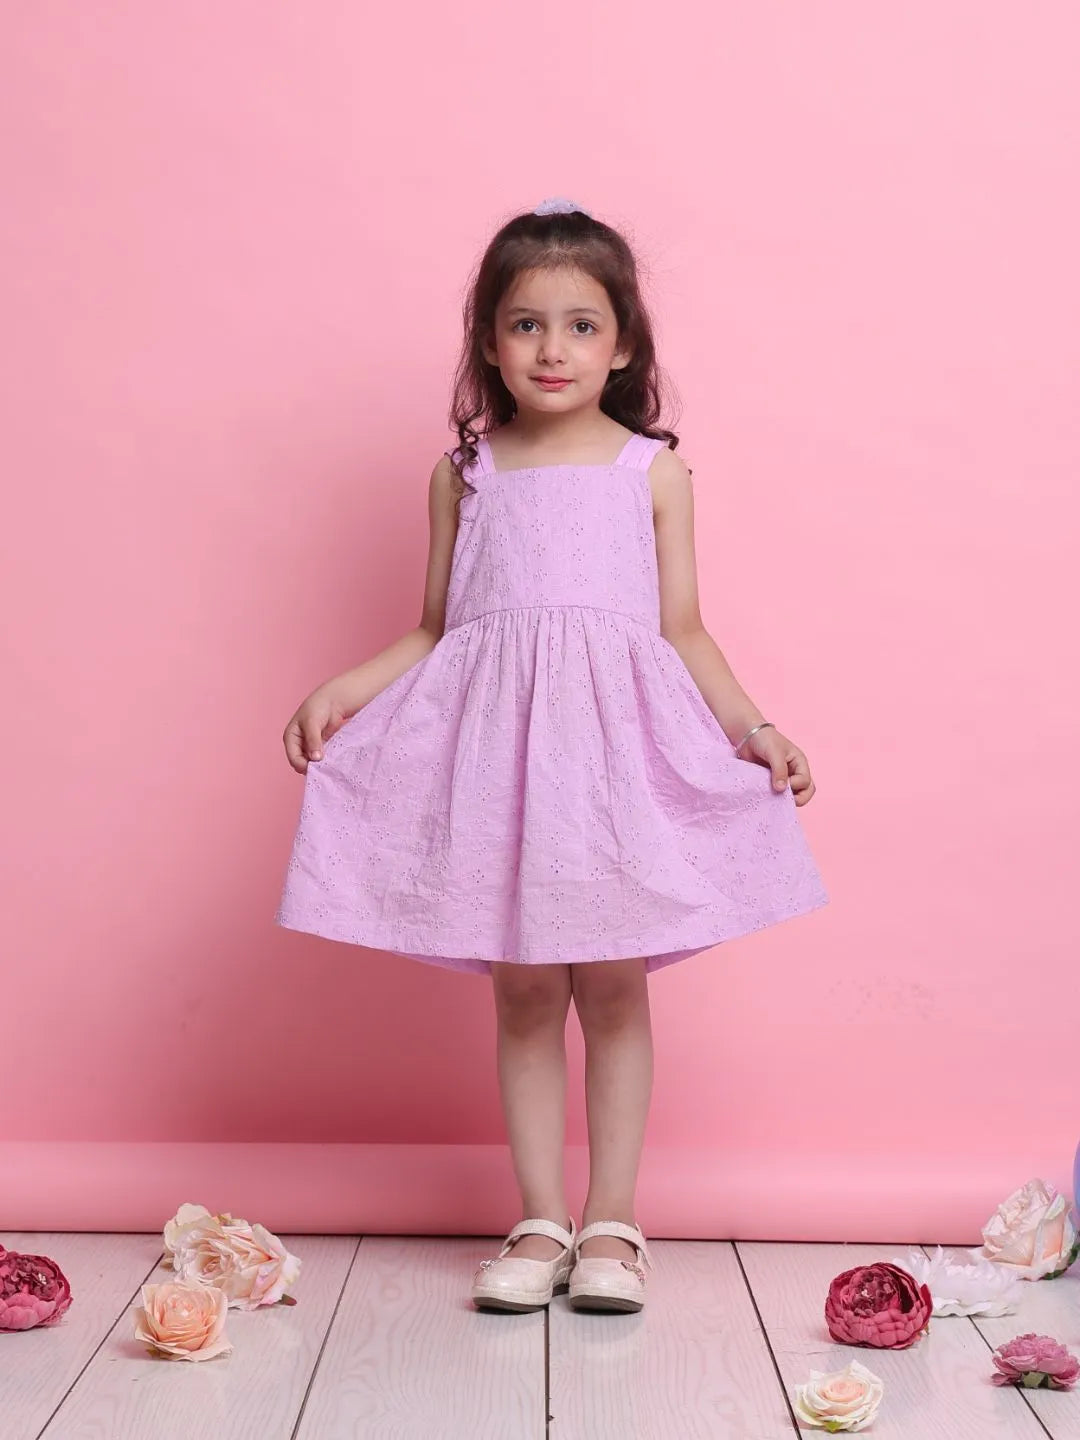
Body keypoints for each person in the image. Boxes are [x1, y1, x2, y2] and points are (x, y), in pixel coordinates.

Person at [276, 196, 829, 1316]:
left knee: (614, 986)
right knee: (527, 993)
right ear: (488, 340)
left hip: (613, 763)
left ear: (623, 343)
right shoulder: (466, 475)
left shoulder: (650, 473)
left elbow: (682, 630)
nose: (554, 348)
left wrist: (753, 729)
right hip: (501, 769)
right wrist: (347, 684)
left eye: (582, 325)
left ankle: (613, 1224)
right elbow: (438, 627)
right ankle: (539, 1218)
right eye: (526, 324)